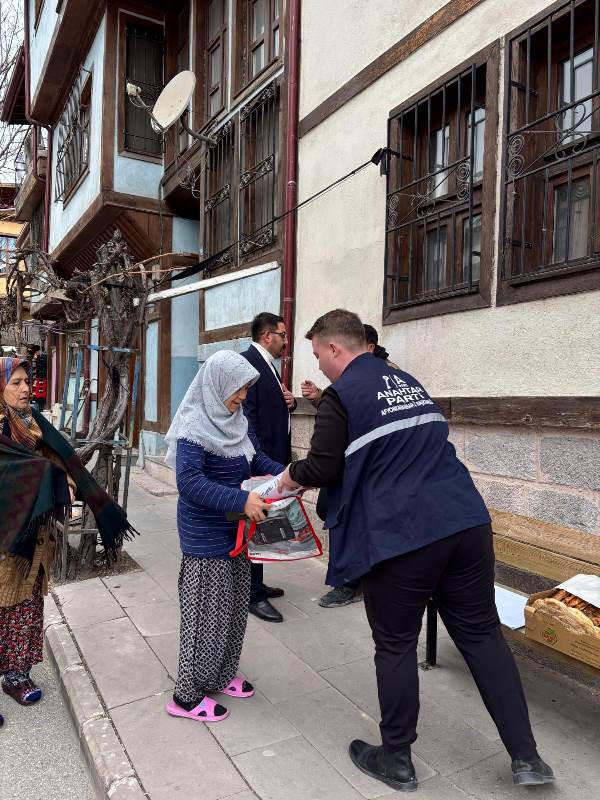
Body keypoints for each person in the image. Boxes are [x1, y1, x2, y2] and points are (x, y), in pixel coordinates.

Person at [279, 310, 554, 792]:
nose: (319, 365)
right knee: (483, 636)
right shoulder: (405, 381)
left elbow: (322, 467)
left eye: (320, 354)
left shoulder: (342, 395)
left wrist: (286, 479)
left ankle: (397, 757)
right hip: (465, 521)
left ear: (337, 349)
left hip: (404, 535)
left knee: (395, 643)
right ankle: (527, 757)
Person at [0, 356, 134, 722]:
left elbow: (62, 461)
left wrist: (64, 477)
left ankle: (16, 674)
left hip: (36, 536)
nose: (26, 388)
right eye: (16, 383)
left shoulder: (35, 424)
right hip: (5, 536)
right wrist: (53, 478)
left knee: (26, 604)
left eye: (27, 381)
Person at [163, 350, 284, 723]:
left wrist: (290, 476)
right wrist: (241, 498)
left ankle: (219, 674)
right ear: (217, 385)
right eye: (238, 389)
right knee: (203, 617)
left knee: (232, 612)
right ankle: (185, 696)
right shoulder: (194, 426)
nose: (243, 397)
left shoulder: (236, 420)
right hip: (205, 536)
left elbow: (255, 460)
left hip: (238, 530)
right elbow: (189, 483)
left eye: (246, 389)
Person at [301, 324, 398, 609]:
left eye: (319, 356)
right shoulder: (351, 378)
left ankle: (351, 580)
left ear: (367, 347)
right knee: (330, 510)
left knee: (349, 518)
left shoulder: (385, 374)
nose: (319, 365)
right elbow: (347, 412)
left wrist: (294, 475)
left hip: (366, 470)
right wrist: (321, 398)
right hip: (344, 462)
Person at [240, 313, 296, 623]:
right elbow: (248, 419)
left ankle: (257, 582)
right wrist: (261, 464)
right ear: (267, 336)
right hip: (258, 463)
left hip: (270, 459)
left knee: (265, 524)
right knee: (256, 523)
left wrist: (291, 403)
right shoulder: (249, 363)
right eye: (283, 335)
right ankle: (252, 593)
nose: (286, 341)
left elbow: (272, 408)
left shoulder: (265, 363)